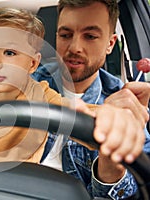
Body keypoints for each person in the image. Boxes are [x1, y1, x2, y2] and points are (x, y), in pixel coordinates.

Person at [0, 8, 147, 200]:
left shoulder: (41, 93)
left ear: (32, 64)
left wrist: (112, 119)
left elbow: (78, 113)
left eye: (10, 52)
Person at [31, 0, 150, 199]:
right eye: (66, 35)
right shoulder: (24, 84)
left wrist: (111, 164)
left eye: (90, 36)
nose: (75, 47)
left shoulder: (126, 106)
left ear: (110, 44)